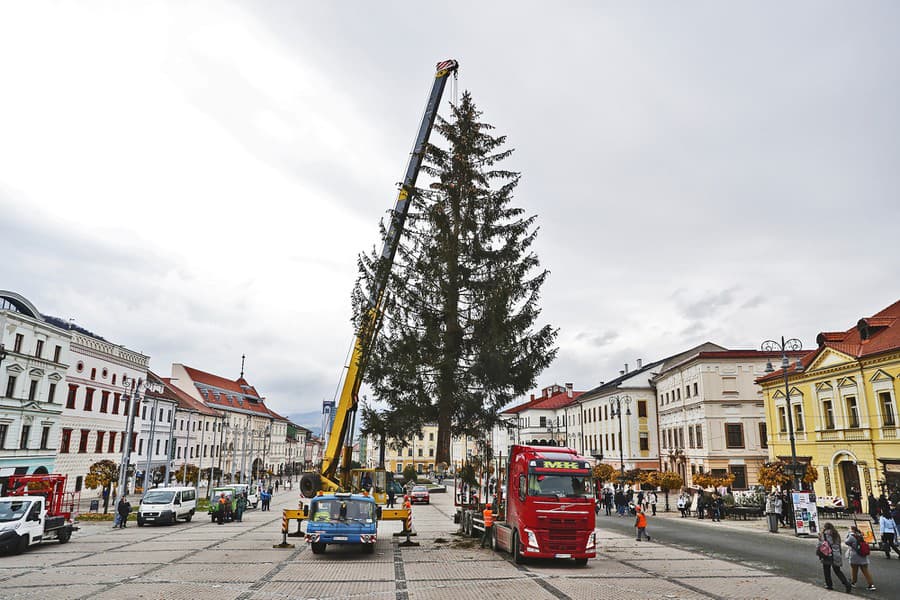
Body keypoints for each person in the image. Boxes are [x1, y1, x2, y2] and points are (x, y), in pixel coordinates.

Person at [819, 522, 851, 592]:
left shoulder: (824, 534)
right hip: (836, 554)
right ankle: (846, 584)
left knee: (826, 570)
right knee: (837, 571)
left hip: (827, 554)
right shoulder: (836, 534)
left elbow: (821, 544)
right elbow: (839, 544)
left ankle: (829, 585)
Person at [845, 525, 876, 590]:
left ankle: (854, 582)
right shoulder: (861, 535)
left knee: (854, 570)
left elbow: (846, 542)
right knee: (866, 571)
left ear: (852, 530)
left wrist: (848, 534)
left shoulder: (851, 536)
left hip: (855, 556)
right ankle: (871, 584)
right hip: (863, 555)